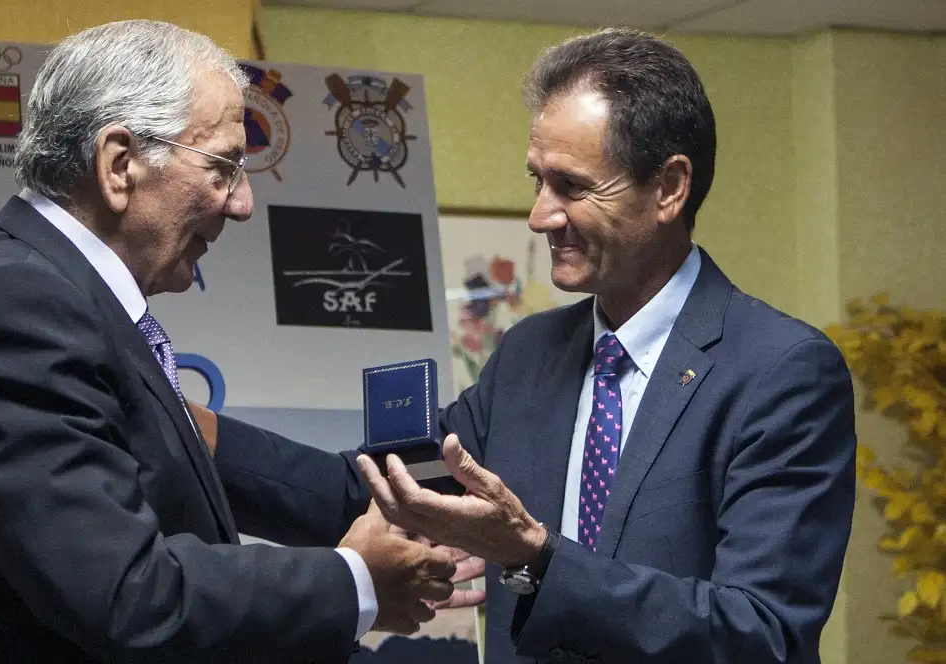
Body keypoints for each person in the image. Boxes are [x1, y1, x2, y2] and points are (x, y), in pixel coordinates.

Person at [195, 27, 857, 664]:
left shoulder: (779, 370)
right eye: (536, 181)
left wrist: (536, 558)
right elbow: (381, 488)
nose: (541, 215)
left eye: (571, 186)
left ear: (668, 188)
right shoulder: (531, 352)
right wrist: (194, 432)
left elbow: (760, 632)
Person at [0, 19, 458, 664]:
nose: (242, 204)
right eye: (225, 167)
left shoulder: (59, 300)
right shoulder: (14, 309)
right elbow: (127, 593)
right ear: (120, 165)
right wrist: (356, 582)